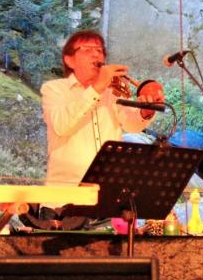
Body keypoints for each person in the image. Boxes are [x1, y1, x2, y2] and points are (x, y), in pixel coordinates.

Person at [34, 30, 164, 228]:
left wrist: (146, 111)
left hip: (107, 201)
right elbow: (61, 125)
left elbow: (132, 124)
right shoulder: (54, 89)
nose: (97, 54)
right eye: (87, 49)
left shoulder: (112, 92)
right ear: (69, 60)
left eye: (100, 50)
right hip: (63, 202)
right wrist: (97, 88)